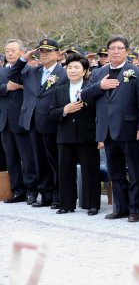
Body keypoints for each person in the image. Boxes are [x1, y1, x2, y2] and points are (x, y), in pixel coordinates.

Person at [82, 35, 139, 223]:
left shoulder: (136, 72)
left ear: (127, 51)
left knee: (136, 171)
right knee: (115, 172)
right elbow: (85, 95)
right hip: (107, 130)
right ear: (108, 51)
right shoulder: (98, 73)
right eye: (112, 48)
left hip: (130, 128)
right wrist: (100, 86)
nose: (116, 51)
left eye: (120, 48)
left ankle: (136, 209)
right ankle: (120, 207)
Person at [8, 38, 67, 209]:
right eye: (41, 51)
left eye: (48, 51)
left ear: (57, 53)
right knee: (38, 159)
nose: (44, 54)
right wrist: (24, 58)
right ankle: (46, 194)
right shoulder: (33, 71)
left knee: (54, 160)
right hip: (33, 121)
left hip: (52, 121)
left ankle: (58, 195)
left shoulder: (63, 73)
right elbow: (12, 75)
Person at [48, 53, 100, 215]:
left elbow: (99, 112)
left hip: (88, 135)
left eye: (77, 67)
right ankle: (66, 204)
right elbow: (51, 113)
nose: (72, 70)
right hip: (65, 135)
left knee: (90, 170)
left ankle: (92, 204)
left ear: (85, 71)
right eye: (69, 67)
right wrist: (65, 110)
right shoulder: (59, 90)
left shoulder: (91, 88)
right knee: (65, 170)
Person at [0, 39, 37, 204]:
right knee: (11, 158)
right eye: (7, 50)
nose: (10, 53)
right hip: (4, 120)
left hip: (22, 119)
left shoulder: (29, 70)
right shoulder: (1, 71)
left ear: (22, 52)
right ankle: (17, 190)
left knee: (27, 157)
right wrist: (6, 88)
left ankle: (32, 190)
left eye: (14, 50)